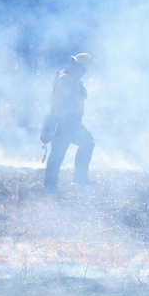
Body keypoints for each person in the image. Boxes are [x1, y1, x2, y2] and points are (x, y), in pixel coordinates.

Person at [44, 52, 95, 192]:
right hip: (66, 121)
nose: (83, 73)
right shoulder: (66, 79)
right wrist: (80, 97)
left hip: (68, 120)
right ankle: (56, 184)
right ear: (75, 64)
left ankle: (52, 185)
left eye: (85, 70)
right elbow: (64, 101)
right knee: (64, 151)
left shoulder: (70, 78)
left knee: (59, 152)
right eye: (82, 69)